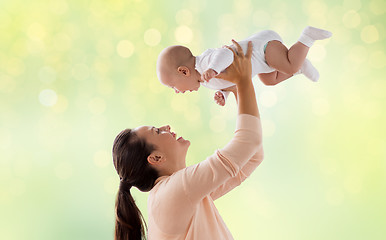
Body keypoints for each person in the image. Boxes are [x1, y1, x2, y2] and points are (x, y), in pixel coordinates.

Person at [112, 40, 263, 239]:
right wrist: (243, 81)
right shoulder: (175, 192)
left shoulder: (180, 194)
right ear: (156, 158)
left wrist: (235, 88)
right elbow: (249, 143)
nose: (166, 127)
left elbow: (252, 155)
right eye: (157, 131)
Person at [157, 26, 332, 106]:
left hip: (262, 49)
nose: (177, 91)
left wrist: (213, 69)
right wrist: (224, 95)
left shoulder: (204, 63)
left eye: (173, 86)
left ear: (183, 71)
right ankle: (300, 64)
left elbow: (225, 54)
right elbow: (230, 81)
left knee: (289, 66)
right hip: (262, 65)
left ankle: (306, 37)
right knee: (270, 80)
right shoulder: (204, 80)